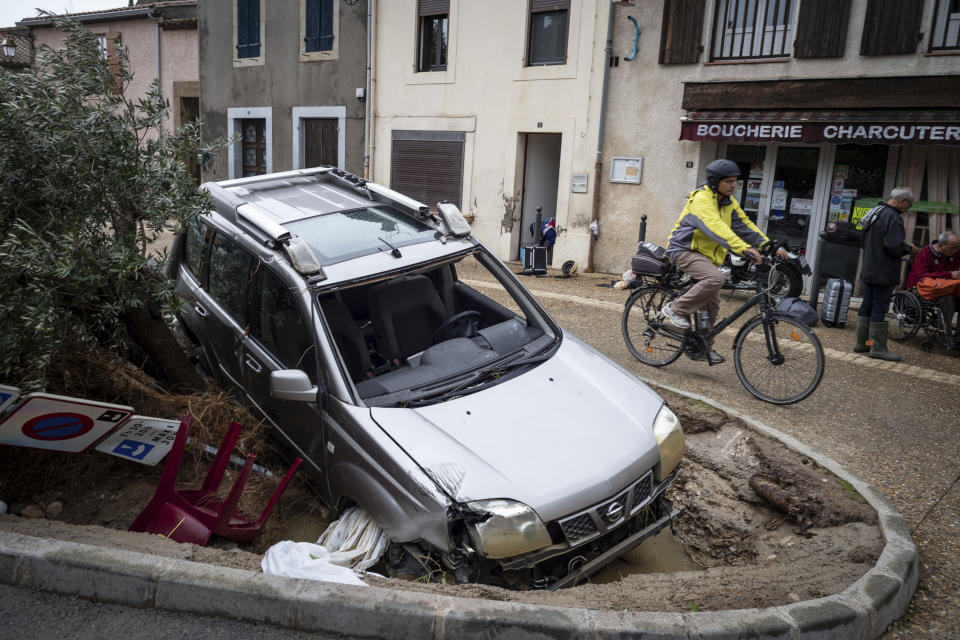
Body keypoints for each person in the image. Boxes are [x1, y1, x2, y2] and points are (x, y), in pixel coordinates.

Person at [663, 159, 788, 364]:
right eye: (728, 181)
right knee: (715, 279)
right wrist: (743, 248)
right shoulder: (701, 199)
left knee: (711, 305)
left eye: (735, 181)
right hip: (684, 249)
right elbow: (714, 227)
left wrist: (768, 245)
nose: (733, 185)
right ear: (715, 182)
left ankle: (703, 347)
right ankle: (675, 309)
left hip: (708, 256)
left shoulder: (728, 202)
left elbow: (744, 226)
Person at [853, 187, 920, 361]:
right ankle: (877, 348)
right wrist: (909, 248)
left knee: (867, 304)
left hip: (869, 266)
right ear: (903, 200)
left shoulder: (876, 211)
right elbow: (892, 245)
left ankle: (862, 343)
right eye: (909, 204)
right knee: (879, 307)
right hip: (884, 270)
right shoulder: (893, 217)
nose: (909, 208)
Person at [903, 231, 960, 349]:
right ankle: (944, 336)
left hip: (946, 286)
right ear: (940, 245)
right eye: (952, 249)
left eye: (957, 249)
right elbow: (922, 276)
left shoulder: (954, 253)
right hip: (921, 287)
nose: (955, 252)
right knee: (947, 299)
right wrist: (949, 274)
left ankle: (958, 338)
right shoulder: (925, 253)